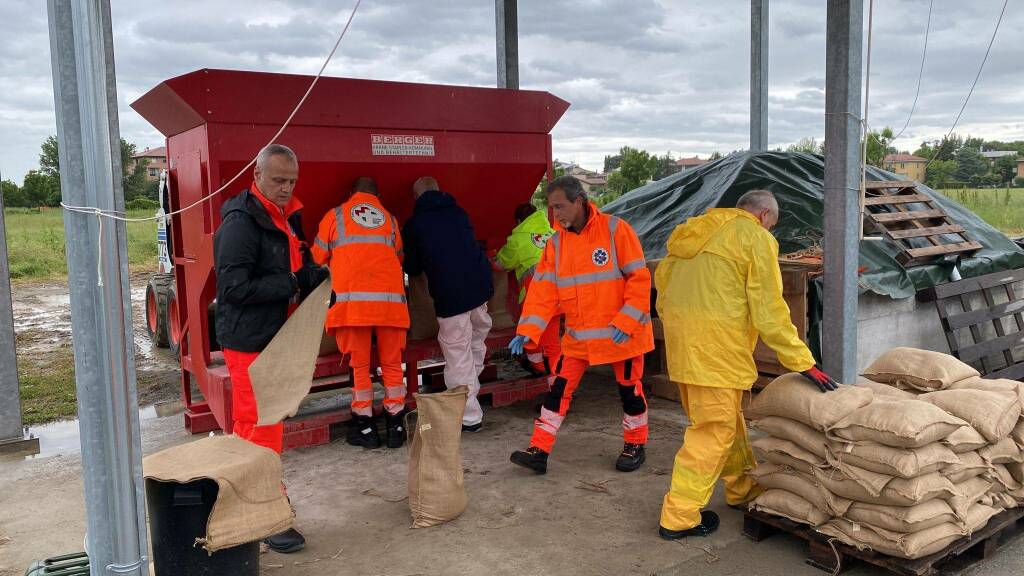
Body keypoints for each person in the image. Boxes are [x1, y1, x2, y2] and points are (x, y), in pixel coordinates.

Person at [655, 189, 838, 540]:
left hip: (685, 353)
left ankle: (741, 488)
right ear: (765, 215)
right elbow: (769, 310)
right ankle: (679, 516)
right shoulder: (754, 238)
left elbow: (663, 292)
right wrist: (802, 361)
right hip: (718, 356)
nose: (771, 231)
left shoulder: (690, 234)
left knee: (728, 423)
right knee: (712, 433)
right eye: (773, 224)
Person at [214, 143, 328, 554]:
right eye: (278, 180)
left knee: (263, 423)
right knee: (258, 426)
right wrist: (295, 285)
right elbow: (233, 288)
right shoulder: (241, 225)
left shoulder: (285, 217)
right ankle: (263, 513)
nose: (285, 188)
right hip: (249, 341)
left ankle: (256, 502)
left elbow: (296, 263)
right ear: (257, 175)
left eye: (292, 181)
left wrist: (316, 276)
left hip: (273, 337)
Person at [508, 175, 654, 475]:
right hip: (578, 338)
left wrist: (626, 321)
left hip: (621, 337)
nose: (555, 214)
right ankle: (539, 449)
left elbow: (639, 280)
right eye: (551, 208)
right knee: (557, 391)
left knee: (630, 392)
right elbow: (543, 291)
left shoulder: (615, 230)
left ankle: (635, 444)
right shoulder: (556, 244)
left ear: (580, 202)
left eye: (560, 206)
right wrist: (527, 330)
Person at [311, 177, 409, 449]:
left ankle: (365, 427)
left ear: (350, 193)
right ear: (378, 195)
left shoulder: (335, 216)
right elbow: (398, 257)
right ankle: (396, 425)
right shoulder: (390, 219)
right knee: (391, 365)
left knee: (360, 366)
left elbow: (317, 257)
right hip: (390, 306)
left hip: (353, 306)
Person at [401, 176, 493, 432]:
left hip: (452, 295)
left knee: (457, 353)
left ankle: (468, 416)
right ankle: (470, 393)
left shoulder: (415, 224)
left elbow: (413, 266)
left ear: (416, 197)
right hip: (480, 287)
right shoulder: (458, 212)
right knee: (475, 342)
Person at [493, 202, 560, 378]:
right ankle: (558, 385)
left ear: (518, 221)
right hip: (558, 298)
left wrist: (489, 257)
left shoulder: (518, 240)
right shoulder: (554, 235)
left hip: (535, 300)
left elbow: (501, 264)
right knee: (552, 342)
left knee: (532, 339)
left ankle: (539, 369)